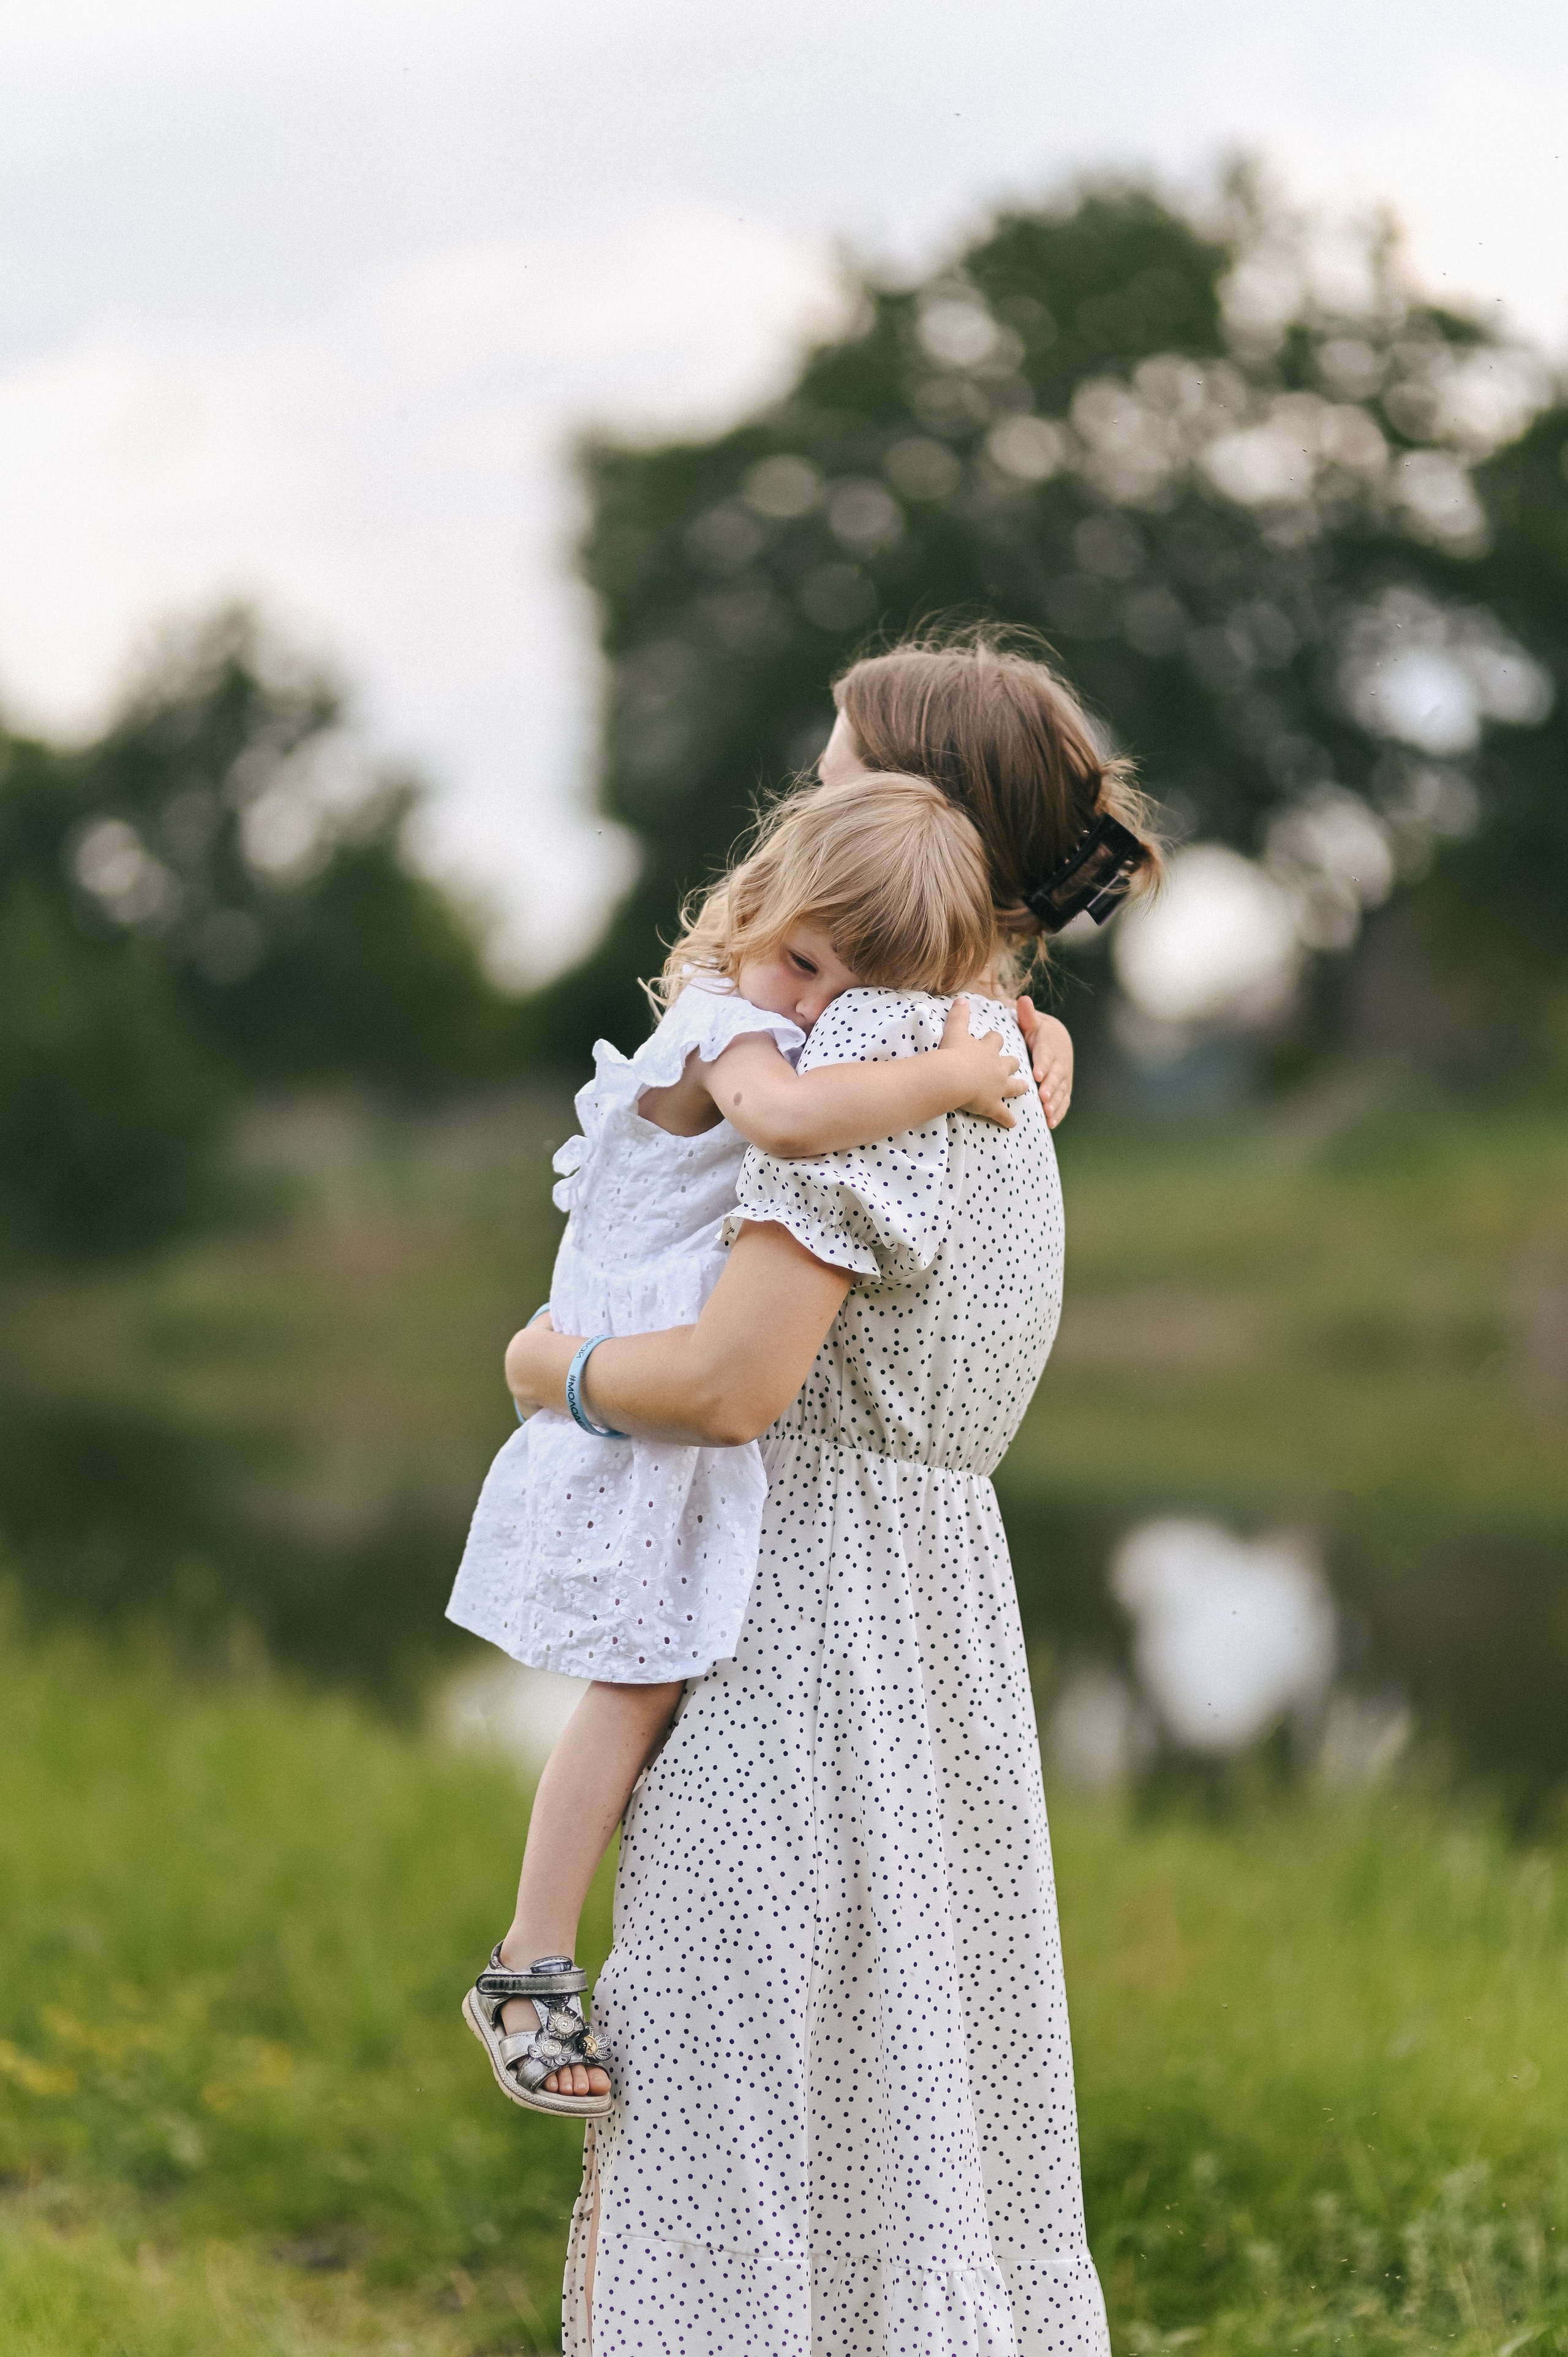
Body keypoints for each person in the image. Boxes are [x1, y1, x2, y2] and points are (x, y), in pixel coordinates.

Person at [503, 630, 1162, 2356]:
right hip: (937, 1642)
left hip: (792, 1628)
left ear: (908, 820)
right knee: (907, 2132)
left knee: (730, 2136)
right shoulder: (994, 1042)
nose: (800, 802)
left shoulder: (863, 1036)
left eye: (833, 771)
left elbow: (736, 1385)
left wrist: (552, 1368)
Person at [452, 771, 1038, 2118]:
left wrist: (1017, 1027)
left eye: (851, 995)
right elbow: (783, 1122)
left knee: (660, 1686)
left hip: (668, 1395)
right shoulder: (726, 1024)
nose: (815, 1010)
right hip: (643, 1400)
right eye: (804, 964)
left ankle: (552, 1953)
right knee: (635, 1685)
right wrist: (954, 1070)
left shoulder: (782, 1009)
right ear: (754, 907)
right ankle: (527, 1965)